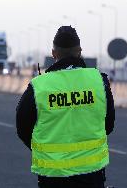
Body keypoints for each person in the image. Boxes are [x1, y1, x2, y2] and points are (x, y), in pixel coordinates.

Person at [16, 26, 115, 188]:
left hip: (53, 176)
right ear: (80, 51)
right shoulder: (99, 81)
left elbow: (23, 128)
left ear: (54, 53)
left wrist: (47, 150)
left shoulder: (39, 86)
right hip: (92, 174)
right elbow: (108, 124)